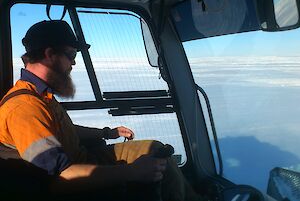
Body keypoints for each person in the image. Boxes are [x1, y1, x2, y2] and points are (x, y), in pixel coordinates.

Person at [0, 20, 203, 201]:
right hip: (75, 172)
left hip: (82, 157)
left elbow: (59, 130)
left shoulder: (40, 94)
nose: (74, 62)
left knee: (156, 151)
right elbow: (58, 179)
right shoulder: (25, 108)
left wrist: (107, 133)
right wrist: (131, 172)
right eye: (71, 55)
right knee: (159, 163)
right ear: (50, 54)